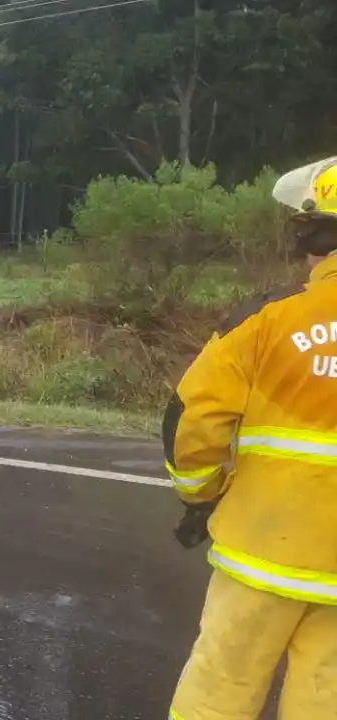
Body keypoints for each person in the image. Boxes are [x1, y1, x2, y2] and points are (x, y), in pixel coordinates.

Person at [164, 156, 337, 719]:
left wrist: (200, 495)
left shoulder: (268, 317)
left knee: (221, 688)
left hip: (261, 550)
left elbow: (195, 418)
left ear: (316, 236)